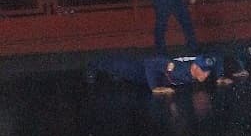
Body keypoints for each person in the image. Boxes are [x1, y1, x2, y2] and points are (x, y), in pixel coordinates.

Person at [87, 53, 229, 94]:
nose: (205, 75)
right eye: (203, 71)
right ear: (194, 67)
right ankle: (92, 65)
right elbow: (150, 63)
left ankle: (115, 73)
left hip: (159, 74)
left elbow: (218, 56)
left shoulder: (199, 64)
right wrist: (154, 87)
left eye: (208, 72)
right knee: (121, 66)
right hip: (145, 71)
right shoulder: (177, 68)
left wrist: (220, 76)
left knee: (121, 71)